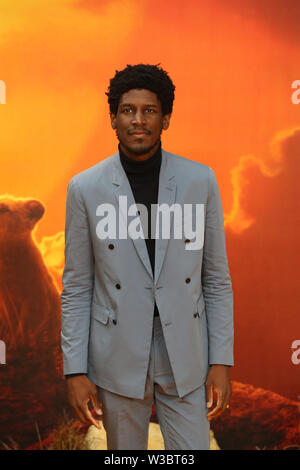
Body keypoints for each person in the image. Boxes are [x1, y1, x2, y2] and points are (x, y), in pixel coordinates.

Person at [61, 64, 234, 450]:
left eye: (149, 111)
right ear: (113, 118)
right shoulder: (85, 188)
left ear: (166, 118)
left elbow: (216, 280)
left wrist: (221, 361)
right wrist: (75, 369)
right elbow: (76, 287)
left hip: (185, 349)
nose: (138, 121)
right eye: (127, 110)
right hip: (117, 347)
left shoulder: (199, 181)